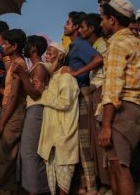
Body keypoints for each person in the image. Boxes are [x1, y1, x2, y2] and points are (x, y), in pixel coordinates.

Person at [99, 0, 140, 195]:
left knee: (120, 168)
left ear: (112, 21)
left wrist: (106, 125)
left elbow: (113, 86)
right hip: (133, 109)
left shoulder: (117, 44)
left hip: (120, 111)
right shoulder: (134, 41)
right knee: (116, 166)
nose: (101, 23)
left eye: (103, 18)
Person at [62, 11, 103, 195]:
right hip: (76, 94)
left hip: (83, 92)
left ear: (77, 27)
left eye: (68, 23)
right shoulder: (73, 46)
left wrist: (76, 73)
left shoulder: (79, 44)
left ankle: (92, 187)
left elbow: (98, 59)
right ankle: (85, 184)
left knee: (84, 141)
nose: (65, 26)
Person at [38, 42, 80, 195]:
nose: (47, 56)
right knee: (54, 184)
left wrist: (43, 92)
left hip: (63, 137)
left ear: (61, 56)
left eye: (51, 53)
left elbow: (64, 103)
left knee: (63, 186)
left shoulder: (66, 77)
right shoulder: (54, 77)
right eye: (46, 53)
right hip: (53, 138)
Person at [0, 29, 28, 195]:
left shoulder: (19, 64)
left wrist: (1, 123)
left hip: (13, 112)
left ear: (15, 46)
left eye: (6, 44)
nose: (3, 46)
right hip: (10, 111)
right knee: (7, 155)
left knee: (4, 155)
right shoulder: (13, 63)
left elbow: (13, 98)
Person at [14, 35, 50, 195]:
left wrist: (22, 75)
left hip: (36, 110)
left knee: (29, 153)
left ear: (34, 48)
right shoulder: (34, 68)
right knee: (27, 152)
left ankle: (35, 190)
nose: (25, 47)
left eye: (28, 45)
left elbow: (36, 94)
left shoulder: (40, 67)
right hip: (32, 110)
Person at [78, 13, 110, 187]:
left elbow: (102, 71)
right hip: (93, 91)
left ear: (90, 29)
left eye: (82, 27)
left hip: (98, 92)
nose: (80, 30)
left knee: (99, 139)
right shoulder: (93, 45)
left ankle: (107, 182)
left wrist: (76, 73)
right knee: (91, 138)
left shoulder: (102, 46)